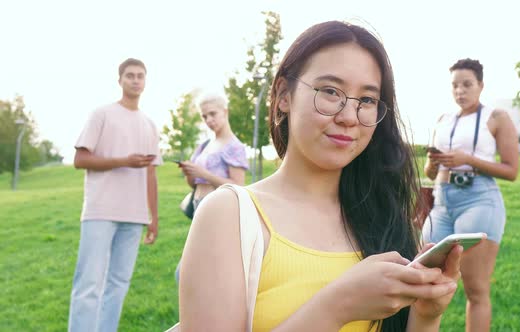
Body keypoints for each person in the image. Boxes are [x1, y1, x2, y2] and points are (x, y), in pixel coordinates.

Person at [179, 21, 463, 332]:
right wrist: (339, 305)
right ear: (284, 95)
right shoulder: (228, 215)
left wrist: (425, 314)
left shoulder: (381, 217)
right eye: (330, 91)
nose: (348, 117)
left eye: (366, 100)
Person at [423, 58, 519, 332]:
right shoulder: (443, 120)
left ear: (481, 85)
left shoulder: (496, 117)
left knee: (475, 290)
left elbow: (511, 171)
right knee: (422, 279)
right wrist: (433, 163)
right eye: (455, 86)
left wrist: (469, 159)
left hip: (479, 199)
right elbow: (430, 173)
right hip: (442, 201)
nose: (460, 91)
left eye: (467, 85)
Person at [68, 58, 162, 332]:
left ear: (145, 81)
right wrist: (123, 161)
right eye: (130, 75)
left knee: (118, 285)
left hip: (134, 216)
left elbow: (151, 174)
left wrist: (153, 217)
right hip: (100, 210)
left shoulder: (150, 125)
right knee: (89, 285)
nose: (135, 80)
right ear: (119, 80)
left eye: (140, 76)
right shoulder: (102, 114)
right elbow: (80, 159)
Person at [174, 92, 249, 282]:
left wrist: (203, 174)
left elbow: (239, 186)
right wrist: (189, 173)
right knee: (194, 271)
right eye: (204, 116)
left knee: (189, 272)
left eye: (213, 114)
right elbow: (194, 184)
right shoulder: (204, 145)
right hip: (199, 207)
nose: (208, 120)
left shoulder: (234, 146)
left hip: (218, 211)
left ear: (225, 112)